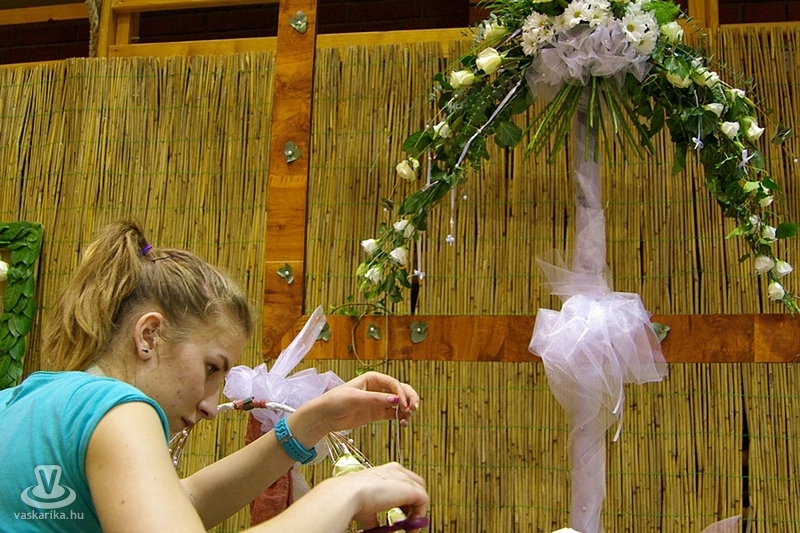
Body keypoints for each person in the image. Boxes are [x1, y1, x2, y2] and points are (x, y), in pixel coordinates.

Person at [0, 220, 428, 533]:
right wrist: (343, 494)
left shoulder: (20, 404)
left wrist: (312, 422)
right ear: (149, 336)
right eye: (211, 368)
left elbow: (180, 505)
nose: (209, 406)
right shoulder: (119, 409)